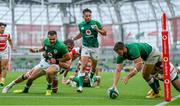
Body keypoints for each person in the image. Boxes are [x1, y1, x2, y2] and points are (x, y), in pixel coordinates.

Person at [2, 31, 71, 96]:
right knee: (29, 76)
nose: (52, 41)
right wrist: (35, 51)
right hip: (45, 62)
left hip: (55, 64)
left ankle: (48, 88)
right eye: (50, 39)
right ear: (48, 37)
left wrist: (56, 61)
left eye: (54, 39)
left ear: (56, 37)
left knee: (50, 73)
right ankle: (10, 86)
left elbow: (68, 57)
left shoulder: (61, 46)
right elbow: (44, 48)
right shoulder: (46, 41)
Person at [72, 8, 107, 92]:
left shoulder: (96, 23)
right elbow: (81, 33)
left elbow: (105, 33)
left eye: (89, 16)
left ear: (91, 16)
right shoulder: (81, 25)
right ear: (83, 16)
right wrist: (74, 38)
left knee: (94, 67)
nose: (88, 17)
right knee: (83, 66)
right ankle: (80, 87)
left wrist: (97, 30)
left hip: (95, 47)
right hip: (85, 46)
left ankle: (91, 77)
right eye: (86, 16)